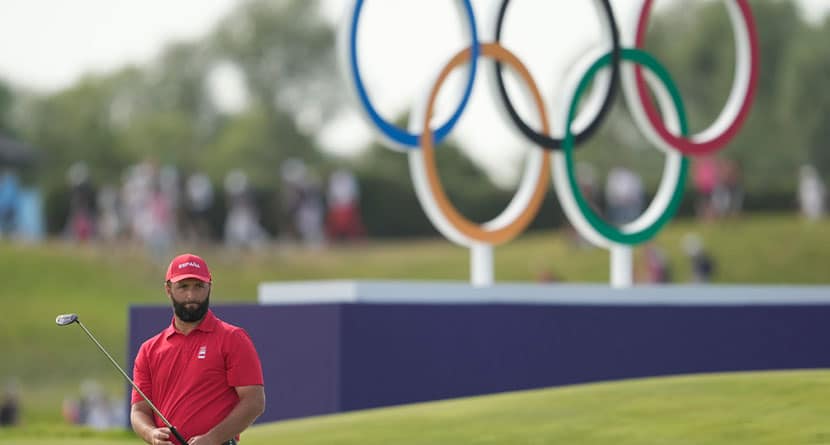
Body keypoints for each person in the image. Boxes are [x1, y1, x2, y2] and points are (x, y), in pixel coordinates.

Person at [130, 253, 265, 445]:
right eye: (183, 287)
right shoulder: (149, 350)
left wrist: (213, 439)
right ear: (168, 289)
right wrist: (150, 433)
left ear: (209, 287)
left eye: (199, 287)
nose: (191, 296)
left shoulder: (233, 338)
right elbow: (139, 411)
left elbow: (254, 402)